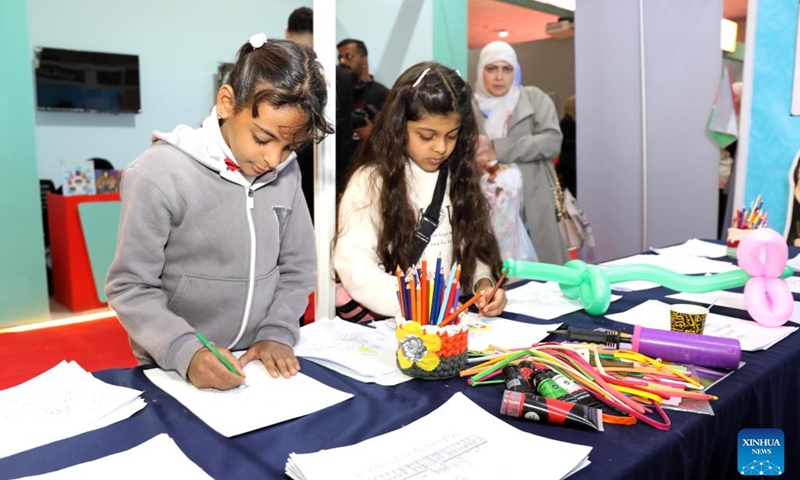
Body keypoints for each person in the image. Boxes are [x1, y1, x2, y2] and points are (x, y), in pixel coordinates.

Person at [105, 35, 333, 391]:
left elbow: (298, 266)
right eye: (262, 139)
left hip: (260, 367)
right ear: (227, 102)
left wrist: (277, 331)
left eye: (290, 147)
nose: (273, 159)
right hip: (174, 368)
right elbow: (130, 286)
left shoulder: (286, 172)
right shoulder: (158, 174)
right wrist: (186, 352)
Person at [333, 62, 507, 319]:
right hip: (392, 326)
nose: (440, 148)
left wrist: (484, 284)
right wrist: (419, 304)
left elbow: (473, 248)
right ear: (399, 126)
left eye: (451, 136)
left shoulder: (459, 176)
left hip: (448, 322)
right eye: (427, 136)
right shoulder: (371, 181)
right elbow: (356, 267)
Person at [473, 41, 569, 265]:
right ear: (481, 71)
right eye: (491, 68)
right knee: (495, 276)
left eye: (507, 69)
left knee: (546, 278)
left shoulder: (533, 98)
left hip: (534, 202)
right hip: (488, 207)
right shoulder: (470, 107)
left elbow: (552, 141)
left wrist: (497, 147)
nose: (499, 77)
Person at [337, 39, 389, 145]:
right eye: (340, 57)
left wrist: (372, 136)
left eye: (349, 56)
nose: (342, 61)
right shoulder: (338, 93)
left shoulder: (383, 95)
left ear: (364, 60)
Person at [557, 95, 577, 197]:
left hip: (571, 163)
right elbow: (563, 142)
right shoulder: (567, 121)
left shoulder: (569, 120)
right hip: (569, 164)